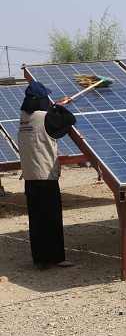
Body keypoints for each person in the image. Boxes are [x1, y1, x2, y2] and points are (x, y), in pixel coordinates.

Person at [18, 81, 76, 269]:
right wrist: (60, 108)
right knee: (51, 218)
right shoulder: (46, 117)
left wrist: (54, 107)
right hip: (45, 175)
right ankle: (57, 258)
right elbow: (68, 120)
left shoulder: (24, 117)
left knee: (36, 219)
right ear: (41, 99)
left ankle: (41, 260)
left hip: (30, 176)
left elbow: (42, 115)